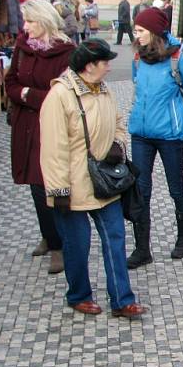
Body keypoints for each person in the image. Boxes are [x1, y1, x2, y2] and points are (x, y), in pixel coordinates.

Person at [39, 39, 145, 318]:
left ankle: (122, 300)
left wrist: (117, 145)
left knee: (115, 238)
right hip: (72, 187)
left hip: (104, 182)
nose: (110, 67)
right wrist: (58, 190)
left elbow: (119, 122)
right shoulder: (60, 96)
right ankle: (78, 295)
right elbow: (52, 148)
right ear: (89, 66)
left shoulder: (104, 89)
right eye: (105, 62)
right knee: (77, 244)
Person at [127, 7, 183, 268]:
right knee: (141, 190)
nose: (135, 35)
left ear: (154, 31)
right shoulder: (138, 58)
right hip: (140, 135)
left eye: (140, 30)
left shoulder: (177, 60)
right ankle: (142, 249)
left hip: (170, 137)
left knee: (175, 187)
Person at [5, 0, 76, 274]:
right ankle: (49, 237)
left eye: (30, 21)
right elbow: (11, 82)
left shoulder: (66, 52)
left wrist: (27, 95)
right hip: (25, 125)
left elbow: (65, 92)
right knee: (34, 185)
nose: (25, 26)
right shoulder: (22, 49)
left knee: (48, 182)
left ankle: (59, 244)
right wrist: (25, 94)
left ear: (44, 21)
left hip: (51, 124)